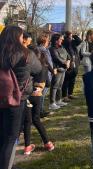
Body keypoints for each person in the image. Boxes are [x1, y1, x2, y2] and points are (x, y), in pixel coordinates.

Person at [0, 26, 42, 169]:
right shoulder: (26, 54)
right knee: (11, 137)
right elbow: (38, 69)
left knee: (2, 134)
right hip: (17, 99)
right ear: (18, 37)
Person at [23, 48, 55, 155]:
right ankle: (47, 143)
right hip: (38, 96)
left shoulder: (30, 67)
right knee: (36, 119)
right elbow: (49, 83)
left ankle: (27, 146)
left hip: (28, 95)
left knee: (27, 121)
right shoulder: (45, 67)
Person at [37, 32, 57, 118]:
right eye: (47, 40)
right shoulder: (41, 50)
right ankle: (39, 111)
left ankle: (40, 110)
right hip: (44, 74)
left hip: (48, 73)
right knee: (41, 93)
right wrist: (52, 71)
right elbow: (47, 62)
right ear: (44, 41)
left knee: (43, 94)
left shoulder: (46, 49)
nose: (49, 42)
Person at [49, 34, 70, 110]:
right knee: (54, 86)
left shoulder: (62, 47)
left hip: (64, 69)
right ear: (56, 40)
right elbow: (56, 58)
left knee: (60, 86)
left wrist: (68, 61)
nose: (62, 40)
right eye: (60, 39)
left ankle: (58, 100)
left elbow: (68, 55)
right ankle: (52, 103)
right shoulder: (52, 48)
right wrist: (65, 63)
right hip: (57, 69)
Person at [62, 32, 81, 101]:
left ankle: (70, 94)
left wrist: (74, 35)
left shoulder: (73, 42)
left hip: (75, 62)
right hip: (68, 62)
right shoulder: (65, 42)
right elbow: (67, 44)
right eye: (70, 35)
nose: (71, 37)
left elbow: (79, 41)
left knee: (73, 79)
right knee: (66, 80)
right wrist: (69, 37)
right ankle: (64, 96)